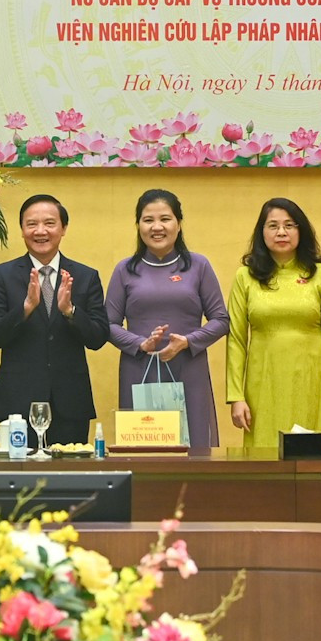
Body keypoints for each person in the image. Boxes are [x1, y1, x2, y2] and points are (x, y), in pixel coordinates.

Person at [0, 193, 110, 446]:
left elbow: (98, 337)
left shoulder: (85, 276)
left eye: (50, 223)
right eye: (32, 224)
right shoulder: (1, 276)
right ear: (22, 230)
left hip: (70, 402)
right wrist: (26, 308)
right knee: (19, 481)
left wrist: (70, 310)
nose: (40, 231)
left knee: (68, 480)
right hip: (18, 401)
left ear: (63, 228)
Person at [105, 188, 230, 447]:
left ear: (179, 224)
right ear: (138, 225)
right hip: (139, 369)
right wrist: (139, 343)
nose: (157, 227)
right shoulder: (124, 270)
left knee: (194, 445)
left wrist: (187, 341)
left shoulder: (199, 266)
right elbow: (107, 324)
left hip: (189, 368)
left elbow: (221, 320)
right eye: (148, 220)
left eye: (165, 219)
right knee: (142, 447)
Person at [225, 198, 321, 450]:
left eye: (289, 225)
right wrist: (236, 397)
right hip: (262, 384)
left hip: (312, 382)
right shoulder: (245, 276)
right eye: (273, 226)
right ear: (261, 232)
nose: (281, 232)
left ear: (301, 231)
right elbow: (235, 339)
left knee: (310, 457)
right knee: (263, 459)